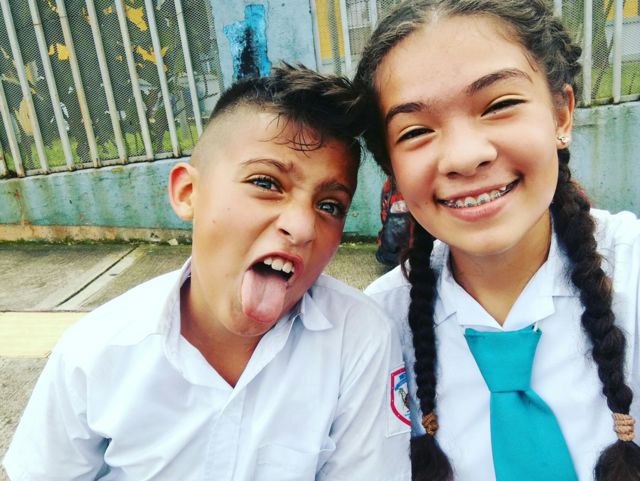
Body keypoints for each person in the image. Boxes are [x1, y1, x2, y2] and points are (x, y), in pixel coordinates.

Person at [3, 65, 411, 480]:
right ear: (188, 193)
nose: (303, 227)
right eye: (266, 183)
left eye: (329, 206)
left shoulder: (358, 341)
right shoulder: (95, 352)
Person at [353, 1, 640, 480]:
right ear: (392, 169)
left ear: (561, 114)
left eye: (499, 105)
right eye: (416, 131)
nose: (465, 157)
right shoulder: (373, 333)